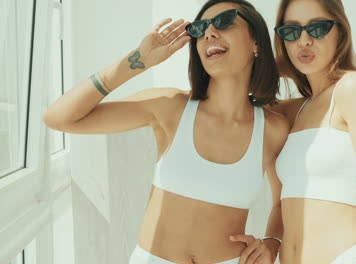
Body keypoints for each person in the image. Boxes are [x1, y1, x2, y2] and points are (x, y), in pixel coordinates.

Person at [42, 0, 289, 263]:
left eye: (225, 22)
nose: (209, 33)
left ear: (257, 42)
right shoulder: (170, 107)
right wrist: (137, 61)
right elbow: (59, 118)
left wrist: (273, 243)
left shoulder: (273, 129)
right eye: (200, 28)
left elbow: (283, 201)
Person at [269, 0, 356, 263]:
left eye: (317, 28)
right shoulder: (292, 111)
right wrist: (283, 63)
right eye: (291, 31)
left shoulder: (353, 88)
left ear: (340, 31)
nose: (304, 41)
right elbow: (241, 84)